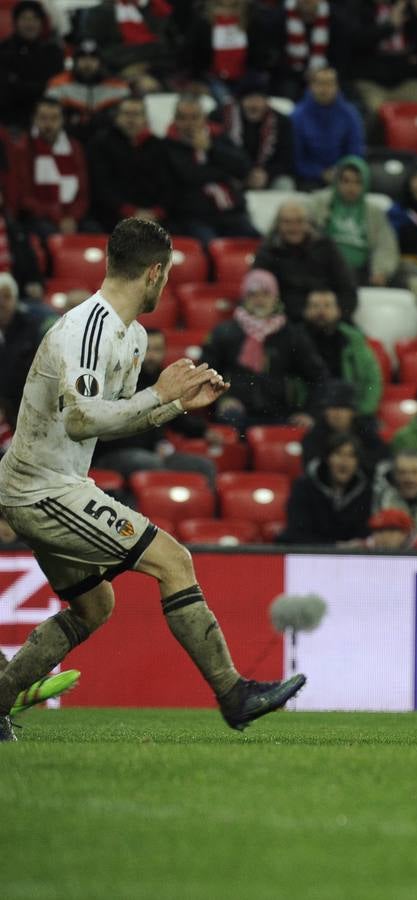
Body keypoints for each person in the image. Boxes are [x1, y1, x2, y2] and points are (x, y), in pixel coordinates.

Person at [0, 218, 306, 741]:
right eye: (166, 278)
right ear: (156, 273)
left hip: (54, 483)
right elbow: (81, 419)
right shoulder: (87, 328)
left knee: (96, 605)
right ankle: (234, 693)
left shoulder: (133, 335)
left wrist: (173, 406)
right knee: (173, 559)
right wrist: (158, 396)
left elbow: (115, 419)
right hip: (40, 487)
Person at [198, 268, 329, 431]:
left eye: (265, 294)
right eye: (253, 295)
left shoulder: (292, 334)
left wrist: (310, 413)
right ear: (244, 298)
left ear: (276, 298)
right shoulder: (224, 332)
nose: (259, 300)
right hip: (236, 414)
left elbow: (318, 377)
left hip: (282, 414)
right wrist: (223, 400)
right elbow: (204, 374)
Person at [91, 327, 217, 486]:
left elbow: (177, 417)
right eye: (146, 349)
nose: (151, 356)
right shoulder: (117, 381)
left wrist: (204, 431)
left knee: (203, 466)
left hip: (154, 456)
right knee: (149, 463)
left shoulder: (163, 381)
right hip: (113, 455)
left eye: (157, 350)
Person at [161, 95, 258, 245]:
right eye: (183, 118)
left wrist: (211, 149)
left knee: (259, 244)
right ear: (175, 120)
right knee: (211, 249)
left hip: (232, 212)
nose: (189, 123)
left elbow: (243, 167)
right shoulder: (167, 145)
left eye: (195, 117)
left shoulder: (218, 137)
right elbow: (189, 175)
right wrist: (222, 172)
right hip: (196, 216)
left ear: (204, 118)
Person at [254, 201, 358, 320]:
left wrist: (337, 313)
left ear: (309, 223)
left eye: (299, 221)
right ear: (278, 225)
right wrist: (303, 313)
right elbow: (258, 293)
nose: (294, 228)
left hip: (330, 319)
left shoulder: (326, 247)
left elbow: (347, 288)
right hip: (285, 319)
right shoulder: (268, 251)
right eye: (287, 222)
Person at [309, 155, 400, 287]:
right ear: (337, 181)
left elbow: (386, 246)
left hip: (361, 273)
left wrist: (381, 271)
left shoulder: (374, 212)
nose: (351, 187)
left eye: (358, 182)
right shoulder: (319, 203)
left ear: (366, 184)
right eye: (346, 181)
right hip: (324, 269)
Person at [12, 97, 94, 238]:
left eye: (54, 118)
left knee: (94, 232)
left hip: (71, 217)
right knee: (49, 233)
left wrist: (72, 217)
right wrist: (58, 217)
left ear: (63, 120)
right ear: (34, 120)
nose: (48, 124)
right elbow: (24, 197)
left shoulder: (74, 147)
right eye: (43, 118)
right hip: (39, 217)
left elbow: (83, 192)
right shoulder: (23, 148)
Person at [87, 96, 171, 232]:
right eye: (126, 114)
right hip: (111, 216)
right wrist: (129, 211)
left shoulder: (158, 146)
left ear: (145, 119)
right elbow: (100, 185)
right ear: (117, 117)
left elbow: (169, 184)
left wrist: (157, 212)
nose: (131, 119)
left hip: (154, 217)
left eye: (136, 114)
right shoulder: (100, 144)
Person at [299, 288, 382, 418]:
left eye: (327, 305)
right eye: (315, 306)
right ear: (305, 311)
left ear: (338, 310)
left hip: (351, 411)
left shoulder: (354, 339)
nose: (321, 311)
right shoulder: (295, 340)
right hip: (309, 412)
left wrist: (362, 412)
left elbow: (373, 379)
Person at [279, 432, 374, 545]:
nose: (344, 461)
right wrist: (334, 547)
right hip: (308, 555)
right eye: (338, 454)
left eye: (351, 456)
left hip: (351, 558)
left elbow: (364, 533)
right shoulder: (304, 487)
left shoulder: (365, 491)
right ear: (327, 459)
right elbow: (297, 533)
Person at [214, 78, 298, 192]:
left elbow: (286, 159)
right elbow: (215, 152)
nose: (254, 105)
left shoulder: (281, 121)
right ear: (240, 100)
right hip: (230, 174)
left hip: (266, 175)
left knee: (285, 184)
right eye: (249, 99)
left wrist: (267, 173)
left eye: (259, 99)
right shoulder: (221, 117)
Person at [290, 67, 365, 190]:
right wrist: (320, 173)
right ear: (311, 86)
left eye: (330, 84)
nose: (325, 89)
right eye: (320, 83)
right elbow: (295, 158)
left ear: (337, 86)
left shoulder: (350, 114)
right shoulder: (297, 116)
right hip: (308, 179)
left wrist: (341, 172)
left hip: (344, 177)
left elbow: (355, 151)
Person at [45, 39, 130, 144]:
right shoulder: (58, 84)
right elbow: (49, 113)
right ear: (75, 61)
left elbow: (125, 116)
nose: (87, 63)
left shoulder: (118, 86)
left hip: (108, 140)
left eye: (93, 59)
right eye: (83, 58)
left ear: (101, 63)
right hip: (69, 138)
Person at [298, 379, 387, 474]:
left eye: (342, 407)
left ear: (353, 412)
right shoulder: (314, 437)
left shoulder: (366, 433)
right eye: (332, 407)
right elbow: (312, 469)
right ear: (325, 412)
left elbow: (382, 461)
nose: (337, 413)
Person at [0, 1, 64, 130]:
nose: (30, 24)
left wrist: (20, 86)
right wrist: (38, 87)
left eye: (35, 19)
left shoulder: (53, 52)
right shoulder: (3, 51)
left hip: (47, 120)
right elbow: (5, 92)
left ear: (41, 23)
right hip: (10, 119)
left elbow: (56, 89)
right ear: (16, 22)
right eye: (25, 19)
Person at [0, 272, 51, 426]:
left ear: (16, 300)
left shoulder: (33, 328)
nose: (1, 302)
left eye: (7, 297)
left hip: (27, 412)